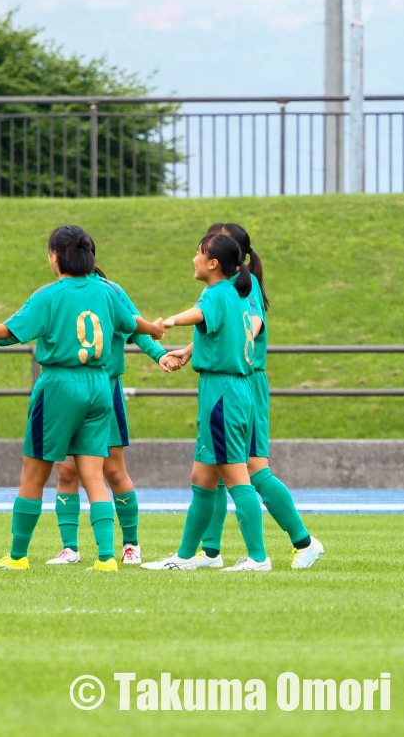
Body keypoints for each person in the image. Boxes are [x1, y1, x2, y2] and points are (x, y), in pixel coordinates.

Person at [0, 226, 166, 572]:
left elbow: (8, 330)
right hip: (99, 386)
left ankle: (17, 556)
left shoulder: (49, 296)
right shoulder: (106, 293)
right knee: (93, 474)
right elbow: (131, 323)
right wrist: (153, 329)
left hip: (60, 385)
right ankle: (106, 557)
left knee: (34, 474)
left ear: (55, 257)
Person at [171, 222, 323, 569]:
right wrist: (191, 349)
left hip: (242, 381)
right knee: (211, 471)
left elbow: (246, 325)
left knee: (250, 470)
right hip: (235, 379)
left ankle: (297, 543)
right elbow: (226, 327)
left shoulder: (243, 284)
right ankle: (208, 553)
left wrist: (243, 337)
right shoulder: (232, 287)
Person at [142, 233, 273, 572]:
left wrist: (170, 320)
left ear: (214, 264)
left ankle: (259, 558)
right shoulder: (240, 292)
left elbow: (199, 314)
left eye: (198, 253)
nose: (194, 259)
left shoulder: (217, 292)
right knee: (202, 478)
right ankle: (186, 557)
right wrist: (189, 350)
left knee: (235, 476)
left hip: (223, 394)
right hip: (230, 391)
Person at [44, 270, 178, 567]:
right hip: (68, 391)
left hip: (105, 388)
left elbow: (135, 328)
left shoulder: (110, 290)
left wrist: (160, 355)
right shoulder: (56, 292)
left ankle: (131, 544)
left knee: (113, 471)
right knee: (66, 470)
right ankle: (70, 548)